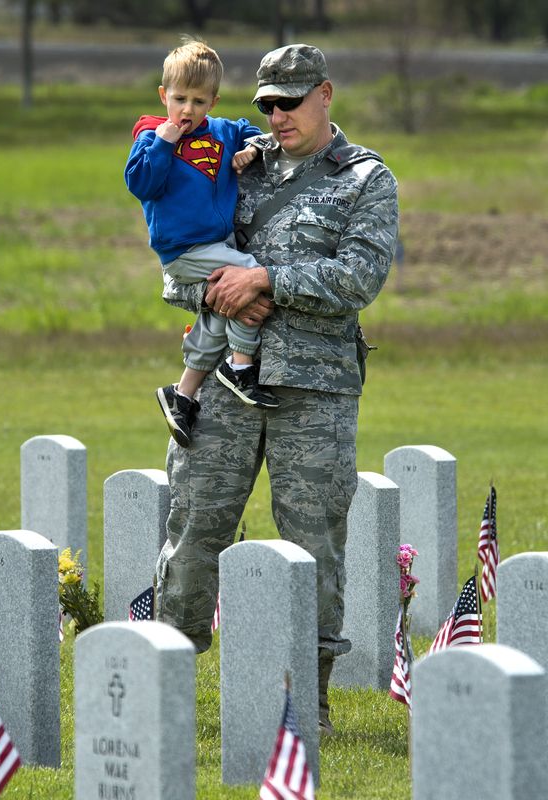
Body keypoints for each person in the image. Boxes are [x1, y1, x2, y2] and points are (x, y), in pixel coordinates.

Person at [153, 43, 399, 734]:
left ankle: (309, 698)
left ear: (325, 95)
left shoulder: (364, 180)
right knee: (193, 528)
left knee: (313, 543)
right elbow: (175, 269)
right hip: (226, 391)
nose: (276, 114)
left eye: (289, 101)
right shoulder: (231, 162)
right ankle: (166, 684)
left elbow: (358, 279)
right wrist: (223, 292)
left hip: (313, 393)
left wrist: (267, 282)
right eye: (266, 103)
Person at [125, 39, 282, 450]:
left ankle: (183, 393)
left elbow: (258, 135)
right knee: (249, 275)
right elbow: (141, 184)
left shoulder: (225, 132)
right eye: (179, 99)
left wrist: (250, 149)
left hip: (216, 243)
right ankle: (240, 364)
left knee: (219, 308)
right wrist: (164, 142)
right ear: (164, 96)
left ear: (213, 101)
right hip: (183, 248)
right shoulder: (150, 138)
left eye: (198, 101)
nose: (187, 110)